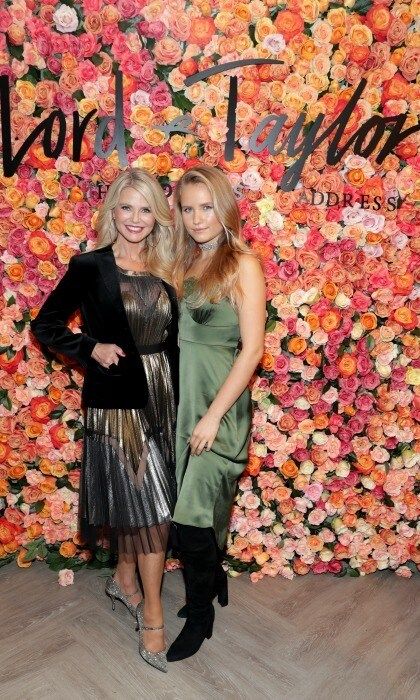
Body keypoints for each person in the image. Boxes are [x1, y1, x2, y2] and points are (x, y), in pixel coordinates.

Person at [31, 168, 178, 673]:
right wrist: (89, 347)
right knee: (149, 511)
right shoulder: (90, 266)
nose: (136, 219)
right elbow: (45, 325)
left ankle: (123, 577)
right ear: (112, 211)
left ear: (157, 214)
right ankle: (153, 617)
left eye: (145, 208)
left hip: (165, 400)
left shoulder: (169, 265)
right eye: (126, 207)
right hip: (116, 405)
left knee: (150, 503)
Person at [167, 166, 266, 662]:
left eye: (207, 206)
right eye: (189, 208)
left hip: (218, 408)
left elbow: (251, 351)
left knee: (190, 519)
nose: (198, 218)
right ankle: (215, 577)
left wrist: (212, 417)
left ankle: (200, 614)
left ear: (223, 207)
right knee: (190, 514)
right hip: (184, 405)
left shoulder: (242, 264)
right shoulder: (186, 263)